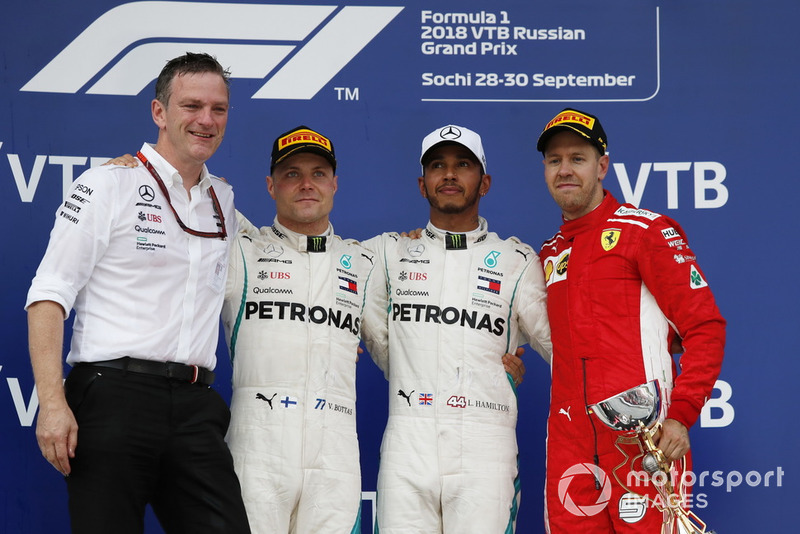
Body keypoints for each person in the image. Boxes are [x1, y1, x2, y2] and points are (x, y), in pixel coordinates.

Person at [25, 52, 250, 534]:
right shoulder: (108, 184)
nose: (206, 120)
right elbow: (49, 294)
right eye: (191, 106)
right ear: (159, 112)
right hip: (113, 397)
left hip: (196, 404)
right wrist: (51, 402)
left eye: (219, 108)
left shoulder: (223, 200)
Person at [535, 108, 726, 532]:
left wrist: (681, 414)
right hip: (571, 450)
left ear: (602, 166)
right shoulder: (547, 254)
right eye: (554, 161)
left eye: (577, 158)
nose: (565, 170)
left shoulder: (646, 231)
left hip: (642, 442)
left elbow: (705, 327)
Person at [361, 125, 552, 533]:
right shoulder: (388, 252)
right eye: (437, 166)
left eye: (463, 165)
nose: (449, 175)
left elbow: (561, 344)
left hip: (485, 442)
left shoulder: (516, 259)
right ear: (422, 183)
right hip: (407, 440)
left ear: (484, 182)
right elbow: (326, 283)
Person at [220, 125, 377, 533]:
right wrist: (135, 170)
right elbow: (182, 187)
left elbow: (413, 343)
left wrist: (492, 363)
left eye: (318, 173)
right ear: (271, 185)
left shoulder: (365, 262)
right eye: (292, 174)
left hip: (335, 455)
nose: (306, 184)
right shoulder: (240, 250)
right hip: (257, 451)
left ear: (335, 184)